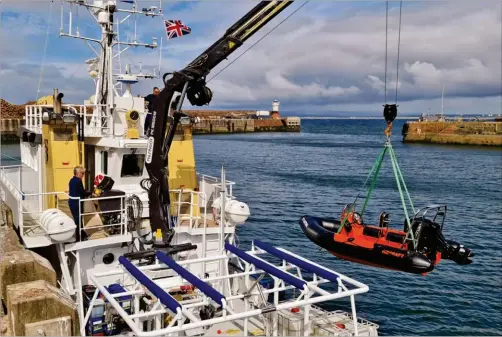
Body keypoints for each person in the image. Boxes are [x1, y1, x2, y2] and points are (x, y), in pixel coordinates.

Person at [68, 166, 93, 241]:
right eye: (82, 173)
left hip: (72, 202)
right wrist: (91, 192)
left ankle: (82, 234)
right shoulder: (78, 181)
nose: (83, 175)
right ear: (78, 173)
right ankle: (79, 238)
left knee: (77, 220)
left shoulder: (71, 180)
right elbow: (83, 193)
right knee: (78, 220)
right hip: (76, 203)